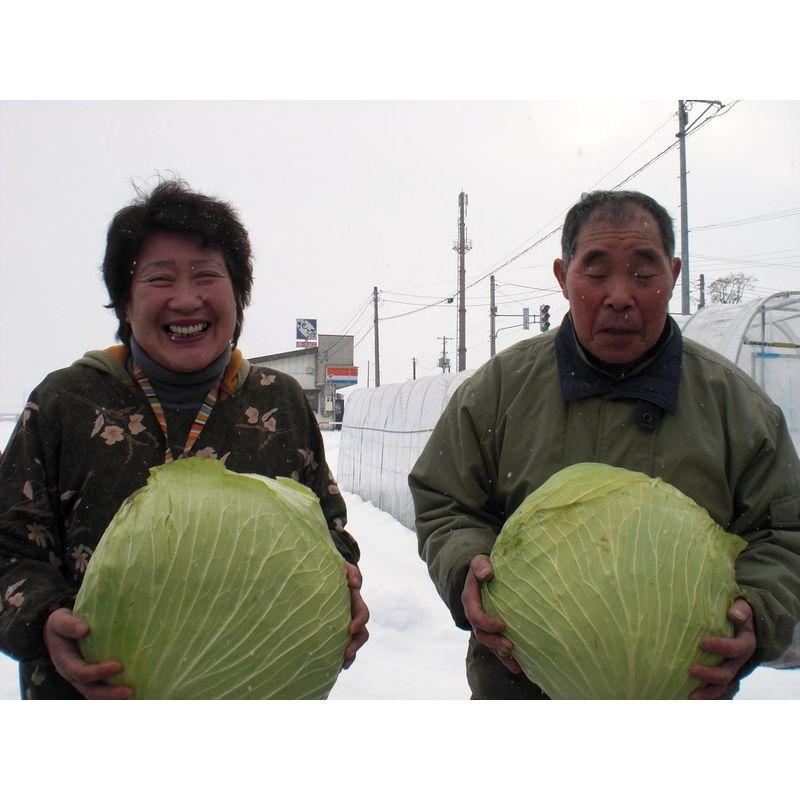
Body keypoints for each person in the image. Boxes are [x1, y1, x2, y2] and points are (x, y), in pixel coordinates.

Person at [409, 189, 800, 700]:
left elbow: (783, 530)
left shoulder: (737, 407)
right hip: (521, 692)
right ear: (562, 277)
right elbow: (445, 501)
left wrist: (759, 610)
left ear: (675, 274)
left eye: (644, 273)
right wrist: (466, 565)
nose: (620, 295)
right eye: (595, 272)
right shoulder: (498, 392)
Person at [0, 179, 369, 699]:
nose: (186, 299)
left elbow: (327, 532)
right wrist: (43, 619)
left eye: (206, 276)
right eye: (159, 278)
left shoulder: (279, 403)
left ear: (238, 299)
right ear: (125, 304)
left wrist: (342, 585)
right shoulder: (66, 402)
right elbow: (9, 544)